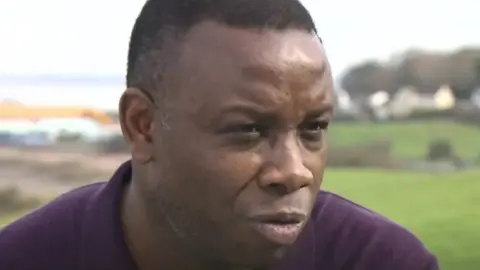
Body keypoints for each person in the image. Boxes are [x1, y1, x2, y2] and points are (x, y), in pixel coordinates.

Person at [0, 0, 439, 269]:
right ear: (142, 126)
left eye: (313, 129)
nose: (294, 172)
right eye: (248, 130)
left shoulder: (381, 262)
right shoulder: (23, 260)